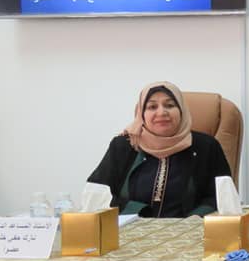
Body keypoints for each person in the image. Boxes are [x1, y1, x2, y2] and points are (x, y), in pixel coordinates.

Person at [88, 81, 232, 217]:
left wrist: (194, 219)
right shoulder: (124, 145)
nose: (162, 112)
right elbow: (97, 193)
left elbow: (221, 196)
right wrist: (139, 213)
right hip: (130, 229)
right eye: (152, 107)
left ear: (181, 110)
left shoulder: (206, 146)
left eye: (169, 105)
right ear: (142, 114)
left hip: (190, 230)